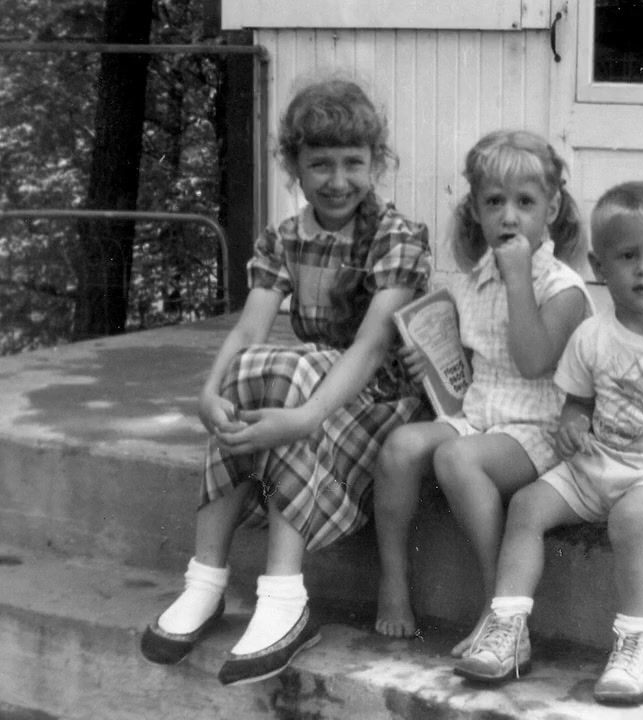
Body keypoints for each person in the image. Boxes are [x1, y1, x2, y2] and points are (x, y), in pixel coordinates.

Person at [139, 79, 430, 687]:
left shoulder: (395, 237)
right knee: (254, 372)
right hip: (311, 396)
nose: (338, 180)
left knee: (291, 370)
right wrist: (209, 392)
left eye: (353, 163)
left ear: (376, 163)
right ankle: (206, 581)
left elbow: (372, 345)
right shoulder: (284, 239)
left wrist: (304, 416)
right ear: (293, 165)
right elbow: (249, 330)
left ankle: (284, 596)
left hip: (382, 398)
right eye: (320, 164)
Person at [453, 180, 643, 706]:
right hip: (598, 464)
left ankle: (637, 646)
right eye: (628, 256)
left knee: (630, 519)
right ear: (598, 266)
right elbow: (578, 402)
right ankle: (508, 627)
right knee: (526, 506)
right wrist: (573, 424)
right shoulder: (592, 335)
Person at [372, 130, 593, 656]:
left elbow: (533, 361)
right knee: (400, 447)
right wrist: (428, 364)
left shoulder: (562, 288)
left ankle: (501, 608)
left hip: (538, 430)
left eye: (525, 203)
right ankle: (394, 580)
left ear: (551, 208)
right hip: (479, 419)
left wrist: (518, 281)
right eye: (494, 202)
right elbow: (470, 367)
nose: (509, 217)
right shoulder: (472, 282)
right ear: (476, 209)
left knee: (456, 458)